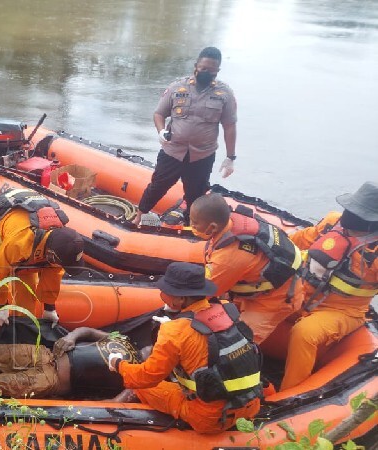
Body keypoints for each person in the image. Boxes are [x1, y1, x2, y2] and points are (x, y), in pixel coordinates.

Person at [109, 262, 262, 434]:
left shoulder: (174, 330)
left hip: (210, 418)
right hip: (250, 405)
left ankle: (109, 407)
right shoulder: (228, 310)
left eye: (165, 294)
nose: (163, 297)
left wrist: (118, 364)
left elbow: (146, 377)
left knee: (139, 386)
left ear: (181, 298)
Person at [280, 181, 378, 390]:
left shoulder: (375, 254)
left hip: (342, 311)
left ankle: (290, 394)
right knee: (255, 299)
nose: (351, 219)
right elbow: (291, 244)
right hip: (301, 293)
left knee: (305, 333)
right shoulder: (332, 224)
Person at [133, 47, 237, 226]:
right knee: (157, 186)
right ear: (196, 65)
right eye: (203, 68)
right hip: (172, 151)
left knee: (196, 194)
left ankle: (191, 226)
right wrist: (161, 131)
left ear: (217, 71)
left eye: (211, 70)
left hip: (202, 156)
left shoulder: (224, 94)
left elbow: (229, 126)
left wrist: (230, 157)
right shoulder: (176, 87)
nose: (206, 73)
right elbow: (159, 114)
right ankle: (138, 216)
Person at [188, 193, 303, 344]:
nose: (191, 225)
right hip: (258, 286)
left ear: (212, 227)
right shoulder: (232, 222)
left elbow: (205, 292)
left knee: (239, 345)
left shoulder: (229, 258)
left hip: (274, 299)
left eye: (195, 223)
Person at [0, 187, 85, 327]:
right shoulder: (20, 243)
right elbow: (0, 272)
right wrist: (2, 305)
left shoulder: (61, 243)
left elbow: (54, 273)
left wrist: (49, 308)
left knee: (26, 300)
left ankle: (22, 332)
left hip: (26, 245)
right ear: (50, 255)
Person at [0, 324, 139, 400]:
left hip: (51, 379)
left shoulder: (140, 380)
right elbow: (88, 331)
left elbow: (114, 403)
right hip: (47, 354)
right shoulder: (123, 339)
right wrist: (72, 336)